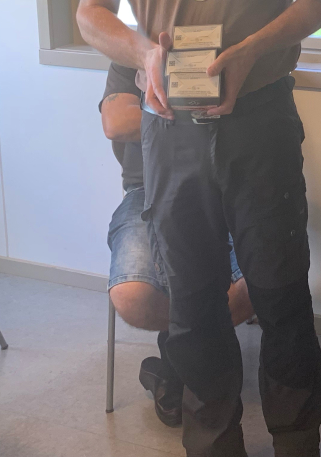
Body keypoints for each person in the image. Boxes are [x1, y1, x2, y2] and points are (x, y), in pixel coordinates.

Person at [69, 0, 321, 457]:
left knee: (281, 291)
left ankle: (296, 442)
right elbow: (90, 14)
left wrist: (251, 51)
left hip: (261, 122)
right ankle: (214, 444)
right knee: (190, 305)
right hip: (171, 132)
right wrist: (144, 54)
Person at [100, 62, 253, 428]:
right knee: (132, 297)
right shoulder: (132, 55)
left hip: (229, 190)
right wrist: (204, 114)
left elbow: (258, 125)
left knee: (256, 284)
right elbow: (116, 122)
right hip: (146, 191)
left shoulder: (230, 52)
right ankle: (194, 366)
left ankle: (174, 368)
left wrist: (165, 113)